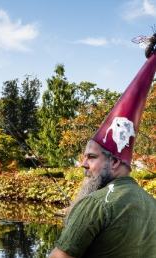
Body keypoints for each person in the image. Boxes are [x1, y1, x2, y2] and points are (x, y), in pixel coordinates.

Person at [49, 50, 156, 257]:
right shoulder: (152, 204)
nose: (82, 164)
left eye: (91, 157)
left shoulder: (94, 205)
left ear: (115, 161)